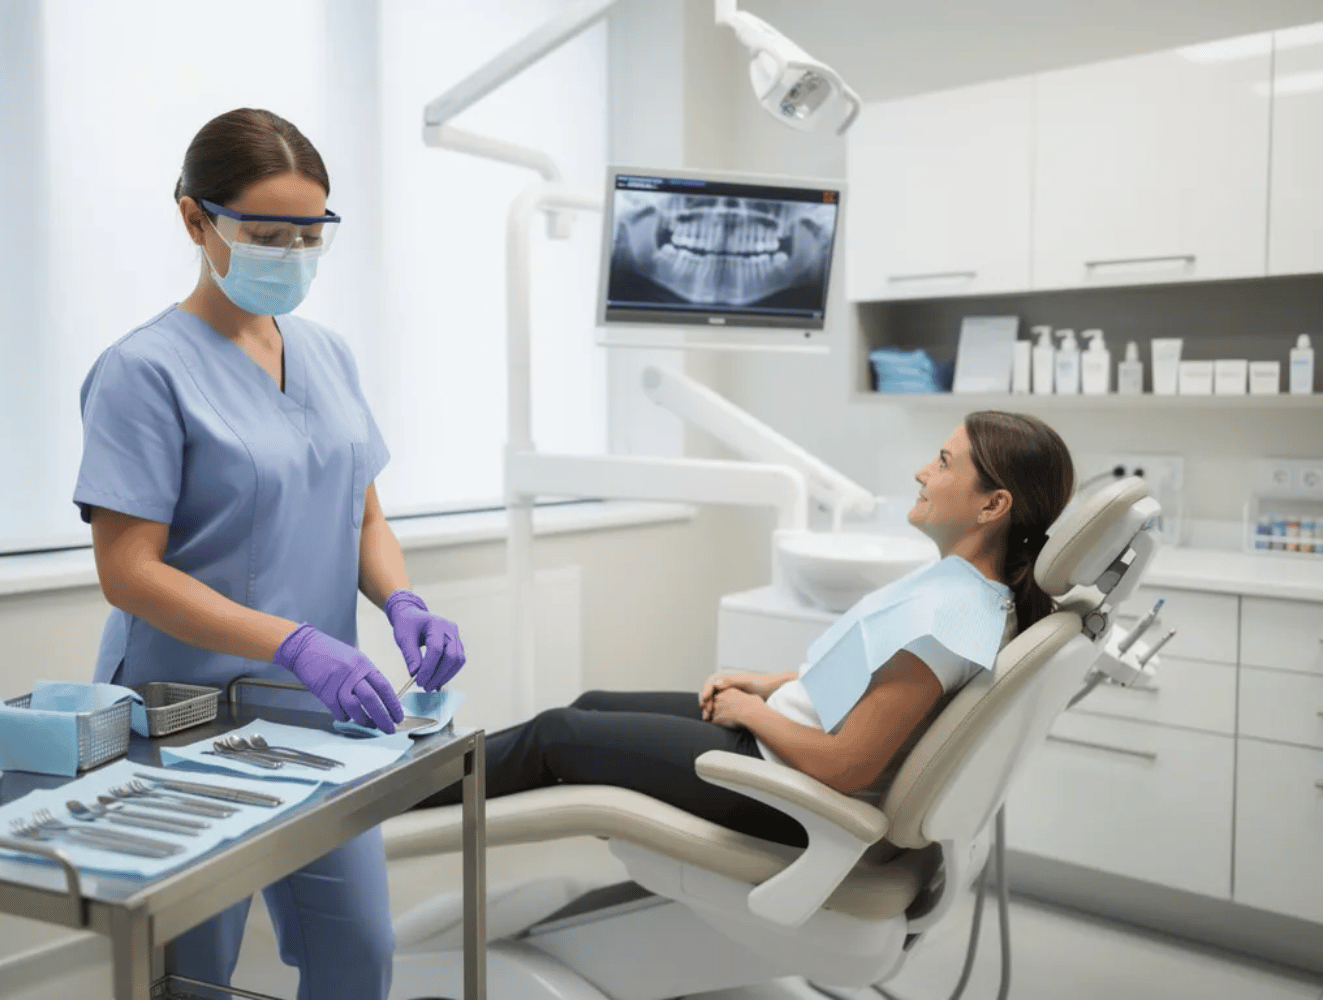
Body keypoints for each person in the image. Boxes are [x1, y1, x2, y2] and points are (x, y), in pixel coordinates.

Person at [75, 108, 466, 1000]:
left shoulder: (327, 355)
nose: (290, 255)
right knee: (194, 974)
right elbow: (128, 570)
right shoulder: (143, 371)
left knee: (358, 951)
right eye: (265, 234)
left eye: (308, 235)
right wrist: (291, 640)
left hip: (324, 712)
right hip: (185, 717)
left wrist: (403, 602)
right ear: (194, 219)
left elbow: (364, 517)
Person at [417, 412, 1074, 848]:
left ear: (993, 504)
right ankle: (422, 785)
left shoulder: (948, 621)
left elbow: (847, 767)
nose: (921, 472)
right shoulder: (967, 595)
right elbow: (875, 686)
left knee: (556, 736)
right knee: (587, 708)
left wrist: (750, 712)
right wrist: (771, 684)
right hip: (778, 748)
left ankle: (385, 805)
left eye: (942, 461)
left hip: (780, 787)